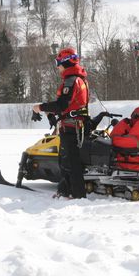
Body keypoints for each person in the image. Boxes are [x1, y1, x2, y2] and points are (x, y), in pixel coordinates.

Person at [33, 47, 89, 199]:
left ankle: (75, 195)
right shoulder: (79, 78)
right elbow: (68, 106)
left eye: (58, 62)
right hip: (73, 125)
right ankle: (66, 192)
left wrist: (40, 107)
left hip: (72, 127)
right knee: (67, 161)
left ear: (65, 62)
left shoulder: (71, 81)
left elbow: (62, 105)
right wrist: (51, 113)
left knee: (70, 163)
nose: (57, 66)